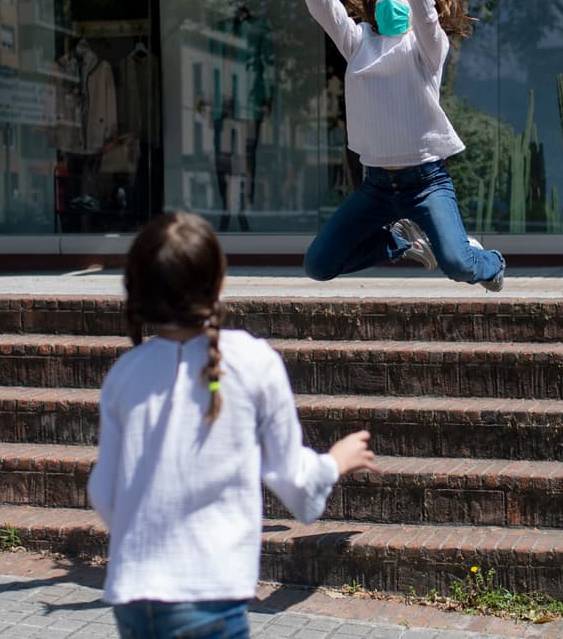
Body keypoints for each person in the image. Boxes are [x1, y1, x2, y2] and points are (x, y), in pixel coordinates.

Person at [87, 211, 377, 639]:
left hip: (133, 592)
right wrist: (334, 462)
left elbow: (104, 492)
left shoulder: (125, 373)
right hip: (210, 590)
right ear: (218, 281)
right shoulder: (254, 361)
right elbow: (292, 479)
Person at [276, 0, 505, 292]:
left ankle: (491, 262)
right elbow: (322, 3)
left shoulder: (427, 47)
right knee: (319, 264)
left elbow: (428, 16)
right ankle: (403, 242)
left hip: (426, 182)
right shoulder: (358, 42)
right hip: (377, 186)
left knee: (457, 264)